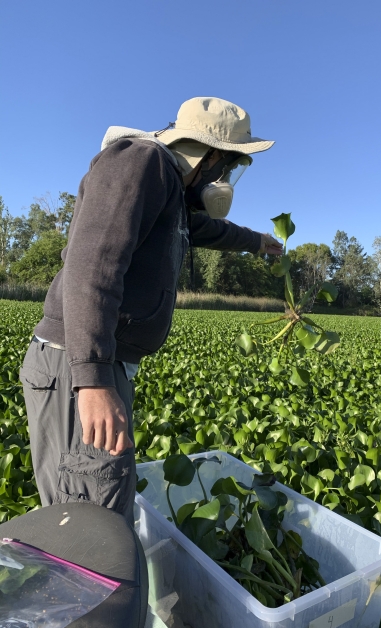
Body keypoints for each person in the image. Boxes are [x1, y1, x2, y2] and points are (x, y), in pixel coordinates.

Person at [20, 97, 283, 525]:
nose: (226, 177)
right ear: (209, 156)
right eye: (230, 165)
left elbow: (202, 228)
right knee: (91, 525)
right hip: (77, 365)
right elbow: (92, 266)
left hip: (95, 363)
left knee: (100, 512)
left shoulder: (168, 190)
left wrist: (256, 242)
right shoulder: (143, 163)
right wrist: (92, 381)